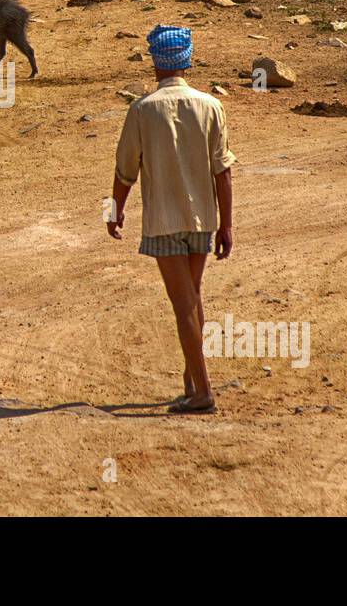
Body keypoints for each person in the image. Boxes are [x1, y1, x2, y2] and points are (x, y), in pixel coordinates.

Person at [107, 25, 235, 414]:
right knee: (193, 299)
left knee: (183, 306)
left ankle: (203, 392)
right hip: (203, 219)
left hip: (163, 221)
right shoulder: (211, 106)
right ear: (187, 59)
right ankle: (190, 379)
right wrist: (227, 225)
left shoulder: (142, 110)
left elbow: (125, 169)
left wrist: (115, 211)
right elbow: (223, 171)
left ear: (155, 62)